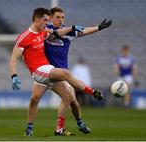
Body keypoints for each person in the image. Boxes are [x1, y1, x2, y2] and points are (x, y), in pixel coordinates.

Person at [9, 7, 103, 136]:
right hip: (38, 71)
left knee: (59, 97)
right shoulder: (25, 37)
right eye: (45, 20)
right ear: (37, 20)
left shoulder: (44, 31)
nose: (47, 23)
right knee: (66, 73)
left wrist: (72, 27)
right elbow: (14, 57)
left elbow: (57, 33)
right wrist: (14, 75)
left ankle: (41, 129)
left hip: (49, 71)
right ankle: (91, 92)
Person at [44, 7, 112, 134]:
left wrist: (99, 27)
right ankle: (58, 129)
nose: (60, 19)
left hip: (63, 75)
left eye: (62, 17)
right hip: (49, 72)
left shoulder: (69, 31)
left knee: (73, 102)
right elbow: (54, 36)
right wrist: (71, 28)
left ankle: (80, 124)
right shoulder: (46, 29)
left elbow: (84, 31)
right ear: (51, 18)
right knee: (66, 96)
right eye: (57, 17)